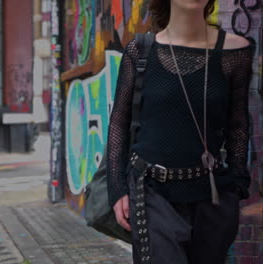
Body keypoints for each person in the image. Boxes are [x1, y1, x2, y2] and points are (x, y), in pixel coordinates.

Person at [105, 0, 255, 263]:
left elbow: (238, 125)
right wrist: (118, 189)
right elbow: (119, 122)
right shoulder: (140, 51)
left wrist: (236, 187)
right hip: (152, 191)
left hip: (211, 196)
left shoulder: (235, 52)